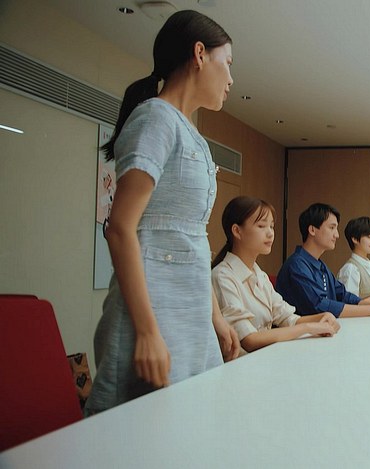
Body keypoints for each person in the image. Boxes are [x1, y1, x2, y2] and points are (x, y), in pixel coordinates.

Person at [86, 10, 240, 414]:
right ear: (199, 54)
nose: (230, 79)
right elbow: (120, 228)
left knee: (187, 424)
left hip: (189, 312)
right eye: (227, 63)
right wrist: (147, 332)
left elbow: (191, 239)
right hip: (151, 312)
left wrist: (215, 316)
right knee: (134, 431)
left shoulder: (193, 135)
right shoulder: (155, 118)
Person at [212, 197, 340, 354]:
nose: (270, 233)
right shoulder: (222, 276)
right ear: (237, 231)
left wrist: (322, 317)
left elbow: (287, 317)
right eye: (261, 226)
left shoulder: (260, 275)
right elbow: (249, 339)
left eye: (271, 226)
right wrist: (308, 327)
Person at [276, 203, 370, 317]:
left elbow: (342, 295)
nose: (337, 235)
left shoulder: (320, 265)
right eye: (332, 228)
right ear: (312, 230)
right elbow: (319, 305)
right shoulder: (297, 265)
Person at [337, 216, 370, 298]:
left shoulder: (367, 264)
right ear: (355, 239)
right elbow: (350, 302)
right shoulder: (351, 268)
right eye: (369, 237)